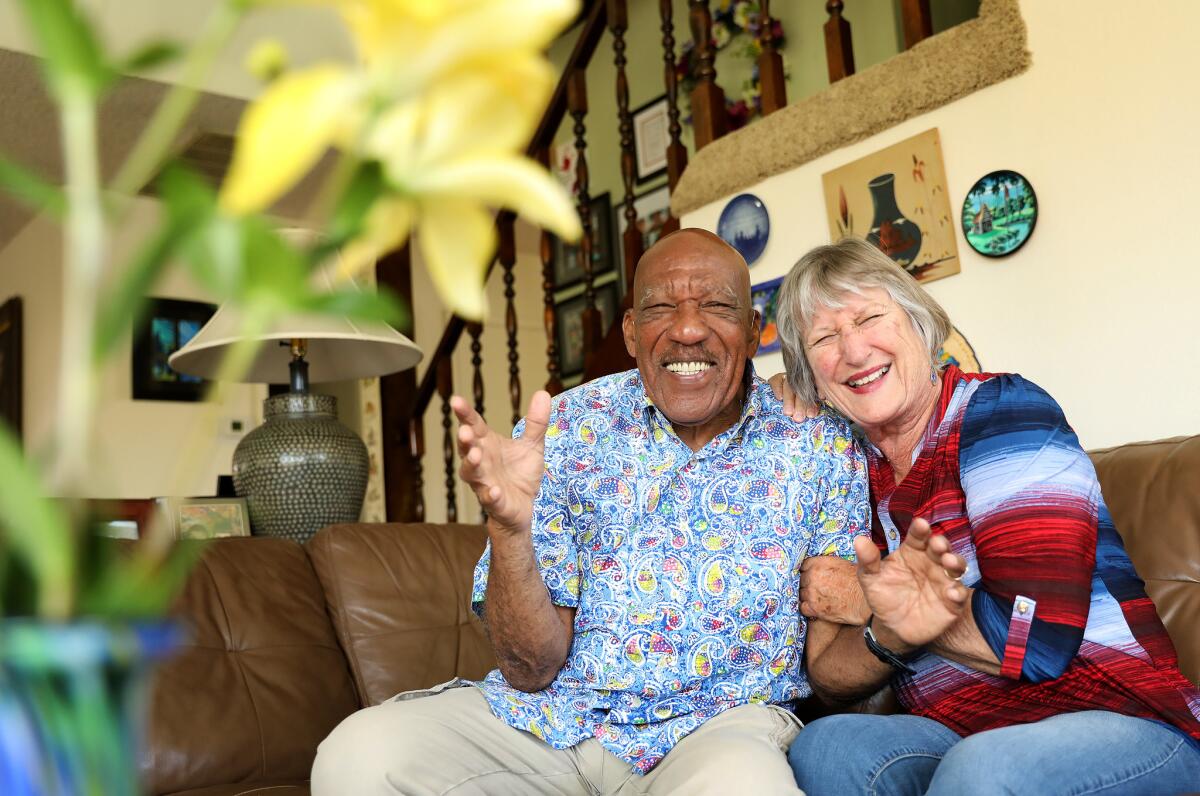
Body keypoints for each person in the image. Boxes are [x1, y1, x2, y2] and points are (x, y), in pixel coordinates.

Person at [310, 228, 893, 794]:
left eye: (716, 306)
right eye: (661, 307)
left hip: (722, 731)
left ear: (751, 329)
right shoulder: (567, 428)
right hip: (558, 726)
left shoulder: (817, 441)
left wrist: (896, 629)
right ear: (632, 332)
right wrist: (510, 529)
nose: (688, 329)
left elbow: (828, 664)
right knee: (360, 757)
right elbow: (530, 669)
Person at [771, 236, 1200, 794]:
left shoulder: (1002, 414)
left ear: (918, 322)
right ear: (811, 376)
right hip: (954, 735)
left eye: (870, 317)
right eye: (825, 338)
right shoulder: (840, 472)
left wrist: (871, 600)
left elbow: (1040, 640)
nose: (853, 352)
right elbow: (829, 678)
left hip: (1120, 720)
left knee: (983, 769)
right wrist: (894, 632)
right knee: (825, 749)